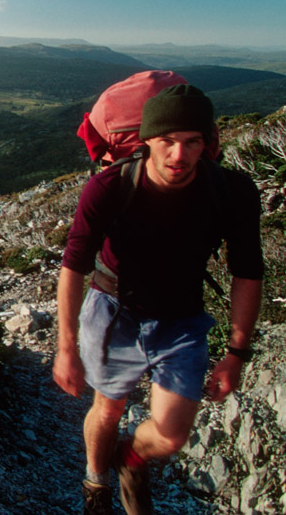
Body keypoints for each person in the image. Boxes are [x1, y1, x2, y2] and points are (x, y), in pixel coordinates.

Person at [53, 85, 264, 515]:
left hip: (182, 318)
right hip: (114, 312)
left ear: (208, 144)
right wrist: (66, 347)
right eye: (167, 141)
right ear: (147, 139)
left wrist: (236, 353)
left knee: (170, 435)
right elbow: (74, 266)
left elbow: (247, 272)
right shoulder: (109, 187)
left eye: (192, 142)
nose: (178, 155)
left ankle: (131, 459)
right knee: (108, 409)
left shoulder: (232, 192)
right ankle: (96, 483)